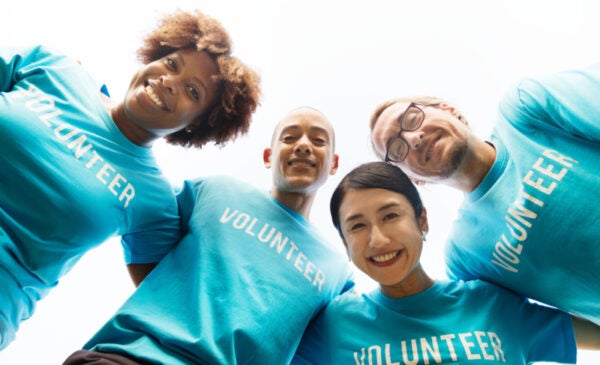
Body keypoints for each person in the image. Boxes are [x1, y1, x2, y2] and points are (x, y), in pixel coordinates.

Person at [0, 9, 261, 350]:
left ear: (197, 124)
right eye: (171, 64)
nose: (169, 81)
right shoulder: (53, 68)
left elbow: (180, 307)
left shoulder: (153, 202)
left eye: (193, 92)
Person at [62, 106, 354, 365]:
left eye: (318, 140)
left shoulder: (337, 272)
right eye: (289, 138)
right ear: (268, 156)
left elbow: (346, 344)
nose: (303, 146)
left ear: (335, 164)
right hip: (130, 355)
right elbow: (144, 216)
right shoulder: (215, 191)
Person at [292, 161, 600, 365]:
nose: (378, 240)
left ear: (421, 219)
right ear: (345, 244)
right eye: (357, 226)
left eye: (390, 216)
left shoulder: (491, 303)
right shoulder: (333, 324)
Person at [368, 63, 600, 325]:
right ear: (414, 179)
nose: (413, 139)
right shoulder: (467, 257)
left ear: (449, 110)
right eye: (397, 149)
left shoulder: (526, 110)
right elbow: (523, 330)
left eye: (411, 119)